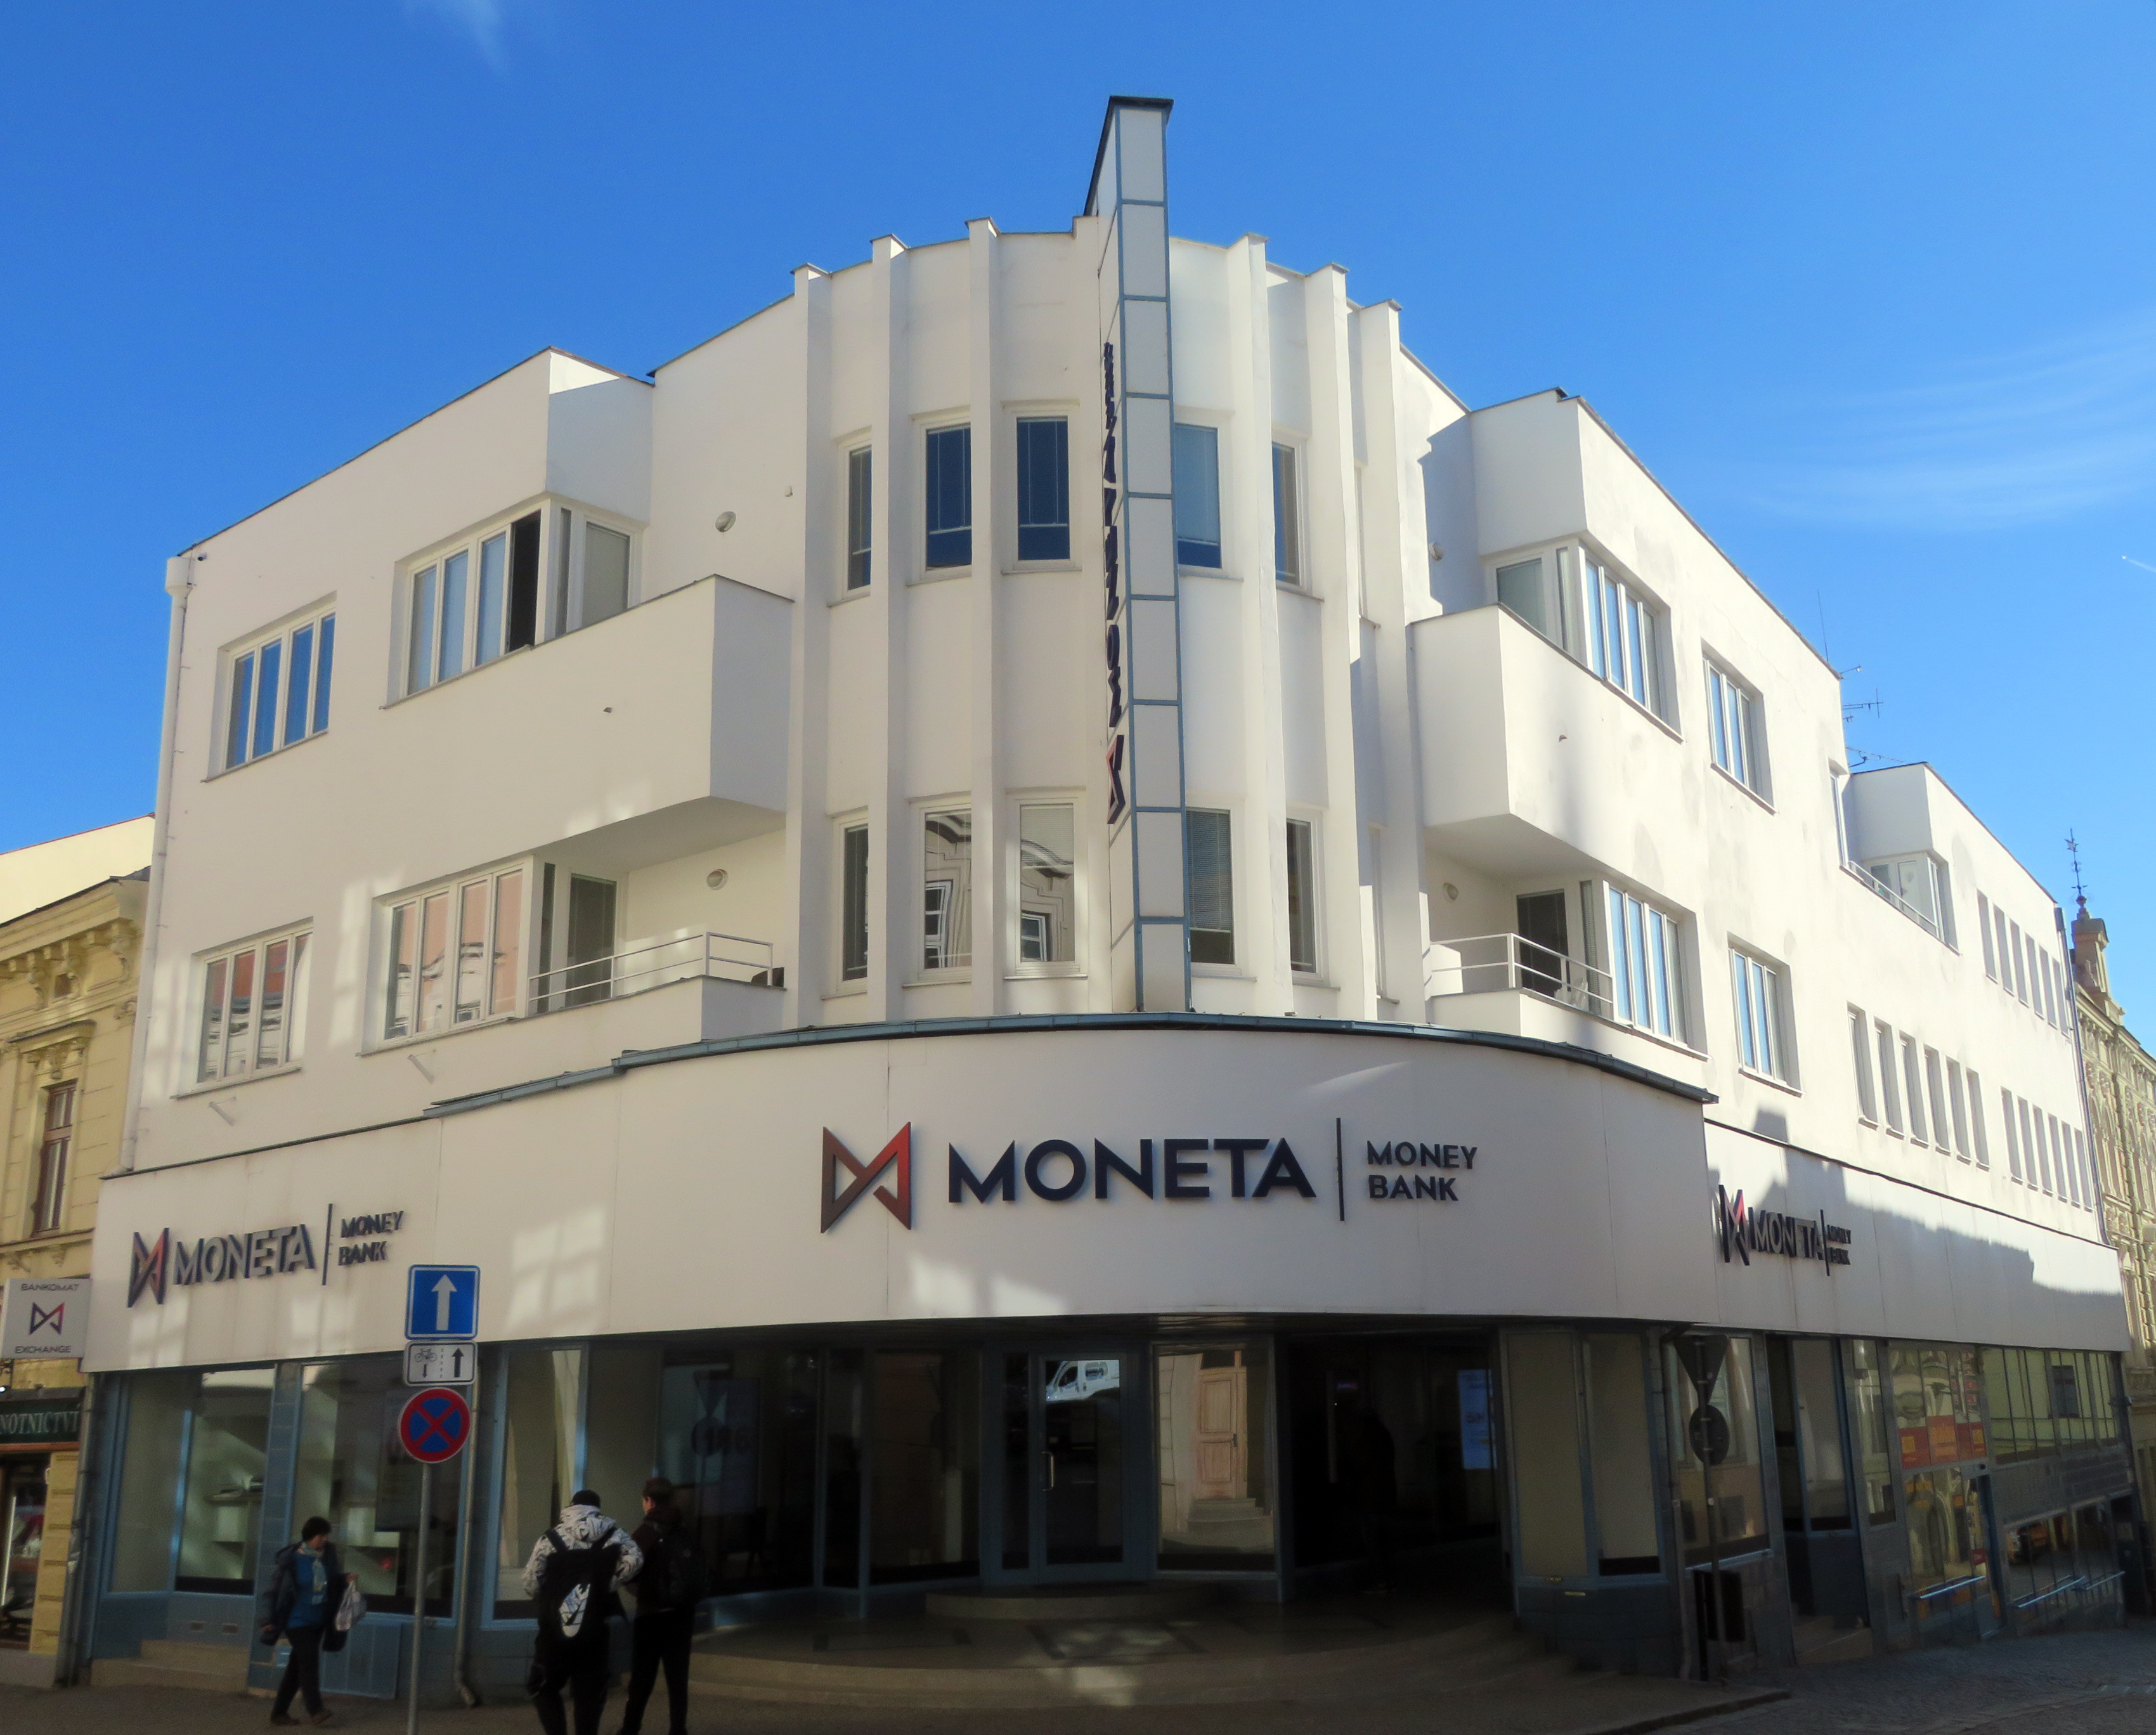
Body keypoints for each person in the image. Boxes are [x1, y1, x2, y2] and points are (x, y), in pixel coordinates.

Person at [523, 1488, 642, 1735]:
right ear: (597, 1510)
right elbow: (636, 1560)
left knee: (543, 1685)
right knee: (589, 1692)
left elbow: (531, 1582)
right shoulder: (614, 1534)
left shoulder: (551, 1538)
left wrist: (550, 1597)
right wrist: (608, 1585)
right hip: (595, 1629)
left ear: (571, 1508)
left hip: (553, 1632)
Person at [620, 1478, 708, 1735]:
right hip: (682, 1613)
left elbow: (627, 1573)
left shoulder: (644, 1533)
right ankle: (678, 1729)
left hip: (651, 1614)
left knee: (642, 1678)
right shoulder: (686, 1530)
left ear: (649, 1501)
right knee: (677, 1678)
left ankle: (630, 1729)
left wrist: (645, 1593)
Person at [258, 1516, 351, 1727]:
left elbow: (332, 1579)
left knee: (295, 1669)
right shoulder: (292, 1560)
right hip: (296, 1620)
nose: (324, 1540)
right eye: (321, 1536)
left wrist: (345, 1578)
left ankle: (279, 1713)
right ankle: (315, 1710)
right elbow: (276, 1592)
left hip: (318, 1620)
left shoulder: (327, 1556)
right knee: (309, 1662)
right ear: (310, 1536)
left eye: (326, 1536)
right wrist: (269, 1619)